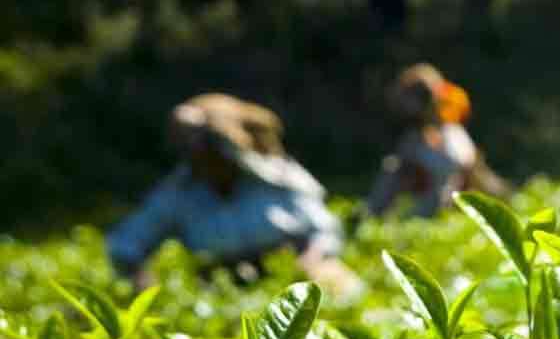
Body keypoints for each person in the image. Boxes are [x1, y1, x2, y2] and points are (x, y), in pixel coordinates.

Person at [107, 93, 359, 295]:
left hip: (294, 279)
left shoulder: (276, 177)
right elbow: (126, 245)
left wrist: (310, 261)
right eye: (192, 149)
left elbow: (323, 229)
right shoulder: (179, 194)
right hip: (221, 289)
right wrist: (144, 283)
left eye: (209, 148)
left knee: (339, 287)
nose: (202, 157)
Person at [367, 64, 510, 217]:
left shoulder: (450, 133)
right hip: (430, 184)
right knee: (392, 168)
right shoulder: (411, 136)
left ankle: (423, 216)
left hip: (460, 190)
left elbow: (459, 168)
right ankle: (370, 214)